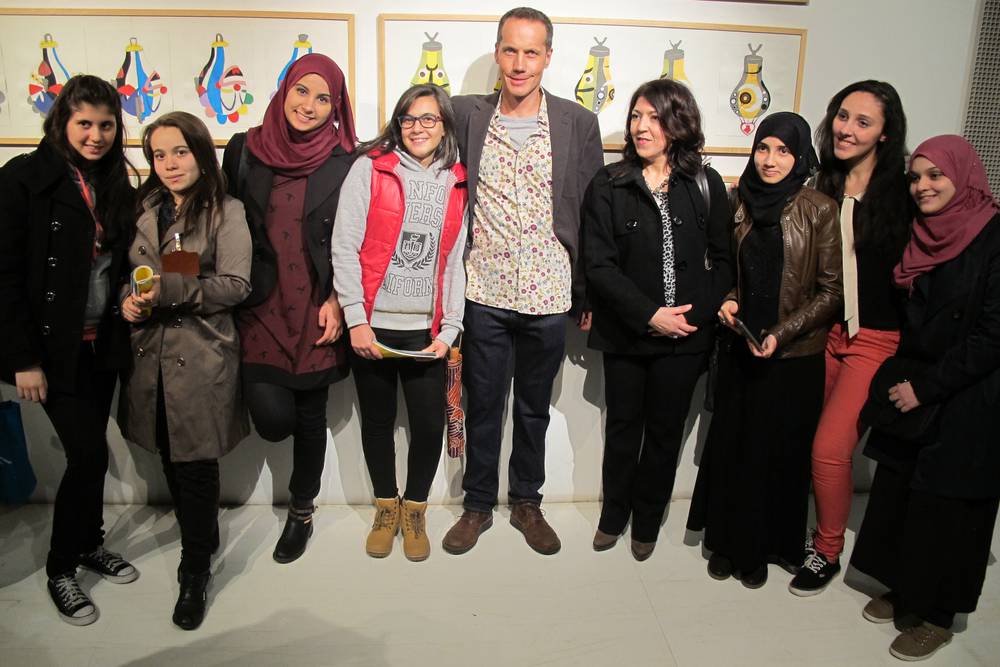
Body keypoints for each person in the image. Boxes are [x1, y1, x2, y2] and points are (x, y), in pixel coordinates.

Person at [441, 6, 604, 556]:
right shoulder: (467, 113)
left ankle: (527, 502)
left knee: (534, 406)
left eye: (531, 51)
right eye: (509, 50)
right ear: (497, 52)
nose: (519, 62)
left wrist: (585, 292)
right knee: (483, 402)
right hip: (483, 290)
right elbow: (409, 129)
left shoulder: (576, 122)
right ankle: (478, 505)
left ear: (548, 57)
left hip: (549, 292)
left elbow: (590, 209)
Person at [849, 136, 1000, 662]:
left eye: (935, 175)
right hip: (915, 385)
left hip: (968, 398)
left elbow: (992, 334)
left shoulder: (993, 236)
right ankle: (904, 587)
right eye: (915, 177)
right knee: (905, 496)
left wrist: (927, 388)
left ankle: (939, 614)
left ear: (964, 176)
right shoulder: (922, 234)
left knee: (951, 509)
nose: (923, 186)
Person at [0, 75, 139, 626]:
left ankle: (88, 543)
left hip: (100, 343)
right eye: (85, 123)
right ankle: (62, 567)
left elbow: (121, 261)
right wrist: (23, 359)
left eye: (106, 125)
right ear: (62, 122)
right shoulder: (22, 179)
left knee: (93, 452)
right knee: (88, 455)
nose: (96, 135)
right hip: (50, 349)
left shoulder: (116, 184)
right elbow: (5, 276)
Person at [687, 112, 842, 589]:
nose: (770, 160)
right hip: (742, 347)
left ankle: (764, 547)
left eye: (783, 151)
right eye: (763, 148)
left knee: (779, 453)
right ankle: (727, 542)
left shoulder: (819, 209)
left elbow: (832, 292)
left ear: (799, 157)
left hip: (794, 357)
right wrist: (729, 300)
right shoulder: (739, 201)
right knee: (735, 447)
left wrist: (783, 332)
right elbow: (730, 271)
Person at [581, 78, 732, 561]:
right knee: (623, 427)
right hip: (628, 333)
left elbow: (724, 262)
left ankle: (647, 521)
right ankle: (613, 516)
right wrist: (649, 315)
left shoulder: (705, 185)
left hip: (685, 338)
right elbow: (598, 264)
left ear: (679, 123)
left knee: (666, 433)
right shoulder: (609, 182)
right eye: (635, 116)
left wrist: (692, 318)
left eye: (654, 117)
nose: (641, 127)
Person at [221, 53, 357, 564]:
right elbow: (219, 221)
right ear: (285, 91)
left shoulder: (346, 160)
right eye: (302, 91)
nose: (310, 106)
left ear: (335, 106)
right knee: (272, 418)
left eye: (324, 98)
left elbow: (356, 240)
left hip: (316, 307)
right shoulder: (244, 150)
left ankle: (302, 512)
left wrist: (339, 300)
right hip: (259, 303)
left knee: (308, 415)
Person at [119, 111, 251, 630]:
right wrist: (129, 302)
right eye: (158, 155)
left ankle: (195, 567)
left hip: (199, 355)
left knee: (195, 463)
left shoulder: (226, 210)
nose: (169, 164)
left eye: (179, 152)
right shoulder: (144, 207)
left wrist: (172, 290)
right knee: (170, 457)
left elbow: (237, 284)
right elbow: (134, 275)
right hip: (150, 354)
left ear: (200, 152)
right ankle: (201, 541)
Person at [331, 84, 468, 562]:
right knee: (378, 422)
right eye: (409, 119)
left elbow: (453, 263)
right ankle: (385, 508)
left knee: (429, 427)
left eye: (429, 119)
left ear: (445, 125)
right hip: (373, 326)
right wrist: (356, 321)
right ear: (397, 123)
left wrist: (450, 329)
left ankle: (415, 510)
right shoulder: (370, 169)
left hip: (425, 332)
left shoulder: (457, 181)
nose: (418, 128)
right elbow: (344, 247)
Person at [789, 81, 912, 596]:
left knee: (830, 448)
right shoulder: (822, 184)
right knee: (798, 436)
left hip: (876, 340)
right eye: (843, 116)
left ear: (885, 134)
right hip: (825, 332)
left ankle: (828, 549)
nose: (848, 128)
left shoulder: (904, 195)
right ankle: (794, 531)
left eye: (864, 121)